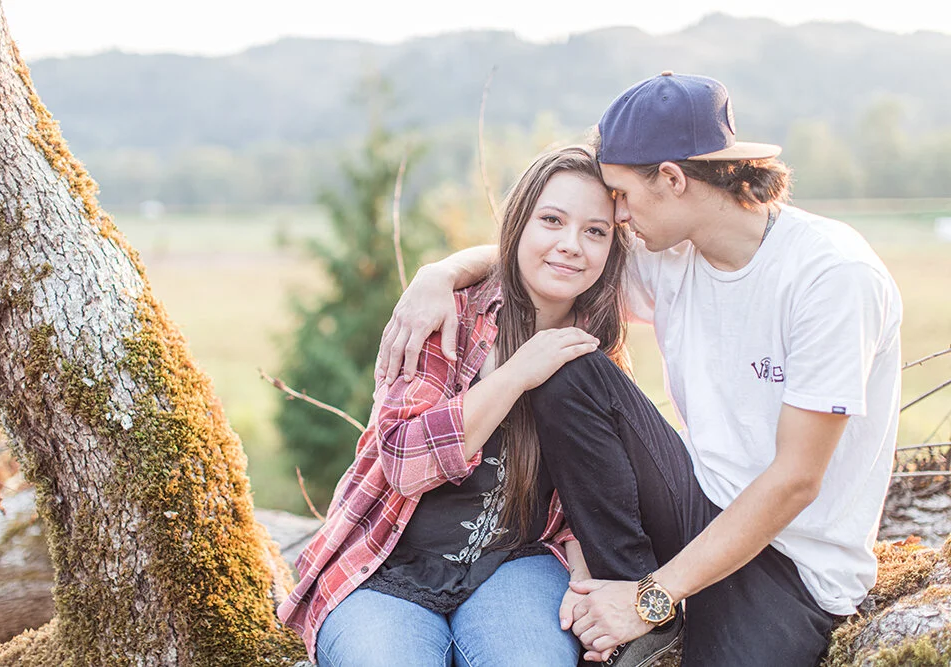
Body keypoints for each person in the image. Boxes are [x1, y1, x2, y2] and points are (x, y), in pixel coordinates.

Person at [377, 72, 902, 666]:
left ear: (673, 180)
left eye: (622, 195)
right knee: (571, 368)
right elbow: (551, 259)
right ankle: (631, 595)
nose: (618, 215)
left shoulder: (831, 278)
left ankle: (645, 606)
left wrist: (652, 597)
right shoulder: (670, 254)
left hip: (791, 563)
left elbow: (797, 480)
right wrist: (441, 272)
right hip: (694, 504)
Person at [278, 146, 672, 666]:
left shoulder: (594, 349)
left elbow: (594, 489)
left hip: (517, 566)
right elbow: (402, 460)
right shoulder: (447, 317)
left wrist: (584, 575)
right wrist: (515, 375)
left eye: (595, 232)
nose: (570, 246)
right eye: (551, 221)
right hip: (388, 565)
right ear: (518, 226)